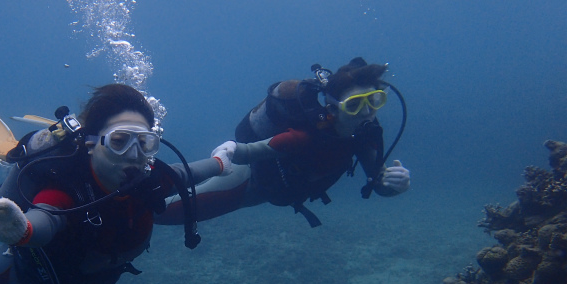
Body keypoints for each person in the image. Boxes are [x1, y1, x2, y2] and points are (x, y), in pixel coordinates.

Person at [0, 84, 233, 284]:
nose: (134, 155)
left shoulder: (150, 176)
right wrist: (21, 231)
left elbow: (187, 173)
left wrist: (222, 161)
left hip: (96, 270)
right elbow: (46, 218)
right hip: (43, 272)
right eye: (119, 141)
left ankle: (38, 145)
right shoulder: (65, 191)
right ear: (91, 143)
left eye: (145, 143)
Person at [157, 57, 411, 227]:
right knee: (161, 211)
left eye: (375, 100)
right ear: (332, 108)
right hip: (248, 179)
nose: (367, 112)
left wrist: (394, 185)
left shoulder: (366, 135)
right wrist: (229, 149)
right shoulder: (308, 136)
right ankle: (139, 182)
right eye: (354, 105)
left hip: (271, 191)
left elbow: (378, 182)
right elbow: (247, 152)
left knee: (162, 211)